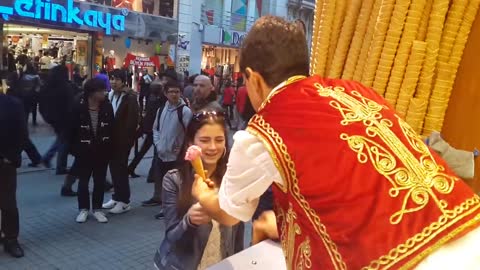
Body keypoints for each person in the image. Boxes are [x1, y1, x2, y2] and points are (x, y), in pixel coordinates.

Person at [191, 16, 480, 269]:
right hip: (469, 232)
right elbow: (358, 189)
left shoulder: (264, 129)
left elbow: (230, 213)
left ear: (253, 80)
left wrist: (204, 195)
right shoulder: (356, 92)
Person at [153, 110, 243, 270]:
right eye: (204, 140)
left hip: (221, 262)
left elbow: (237, 232)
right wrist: (189, 220)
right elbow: (171, 236)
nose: (213, 147)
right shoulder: (174, 180)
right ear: (190, 143)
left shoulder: (231, 180)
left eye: (219, 140)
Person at [143, 80, 193, 215]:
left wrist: (182, 149)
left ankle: (171, 209)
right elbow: (156, 129)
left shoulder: (184, 111)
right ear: (165, 93)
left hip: (176, 156)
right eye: (171, 92)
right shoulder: (161, 110)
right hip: (162, 153)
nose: (174, 95)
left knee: (175, 184)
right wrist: (158, 144)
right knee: (164, 182)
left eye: (177, 92)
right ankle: (166, 206)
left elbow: (191, 133)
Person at [69, 78, 114, 223]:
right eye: (101, 91)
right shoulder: (78, 106)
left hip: (102, 149)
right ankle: (83, 209)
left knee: (99, 181)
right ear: (92, 93)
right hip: (83, 151)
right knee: (83, 181)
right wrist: (74, 149)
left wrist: (110, 146)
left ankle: (97, 209)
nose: (104, 93)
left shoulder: (107, 106)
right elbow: (70, 130)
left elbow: (112, 128)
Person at [102, 69, 139, 214]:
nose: (113, 82)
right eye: (111, 79)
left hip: (122, 141)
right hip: (110, 139)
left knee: (121, 170)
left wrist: (126, 141)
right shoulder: (110, 96)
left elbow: (132, 121)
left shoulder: (130, 98)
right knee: (113, 168)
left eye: (117, 79)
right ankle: (116, 197)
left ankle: (124, 201)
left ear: (123, 81)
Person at [0, 92, 26, 258]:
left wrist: (11, 157)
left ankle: (10, 239)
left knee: (8, 203)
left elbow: (22, 134)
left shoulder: (12, 104)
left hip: (4, 162)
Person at [39, 65, 75, 174]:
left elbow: (41, 103)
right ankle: (59, 165)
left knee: (61, 139)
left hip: (52, 117)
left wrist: (46, 116)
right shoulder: (65, 87)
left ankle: (48, 158)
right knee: (63, 141)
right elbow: (70, 104)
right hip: (64, 118)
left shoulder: (47, 86)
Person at [128, 79, 167, 178]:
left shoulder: (151, 98)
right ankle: (151, 173)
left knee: (144, 150)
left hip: (149, 128)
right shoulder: (158, 101)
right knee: (155, 152)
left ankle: (131, 168)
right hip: (153, 129)